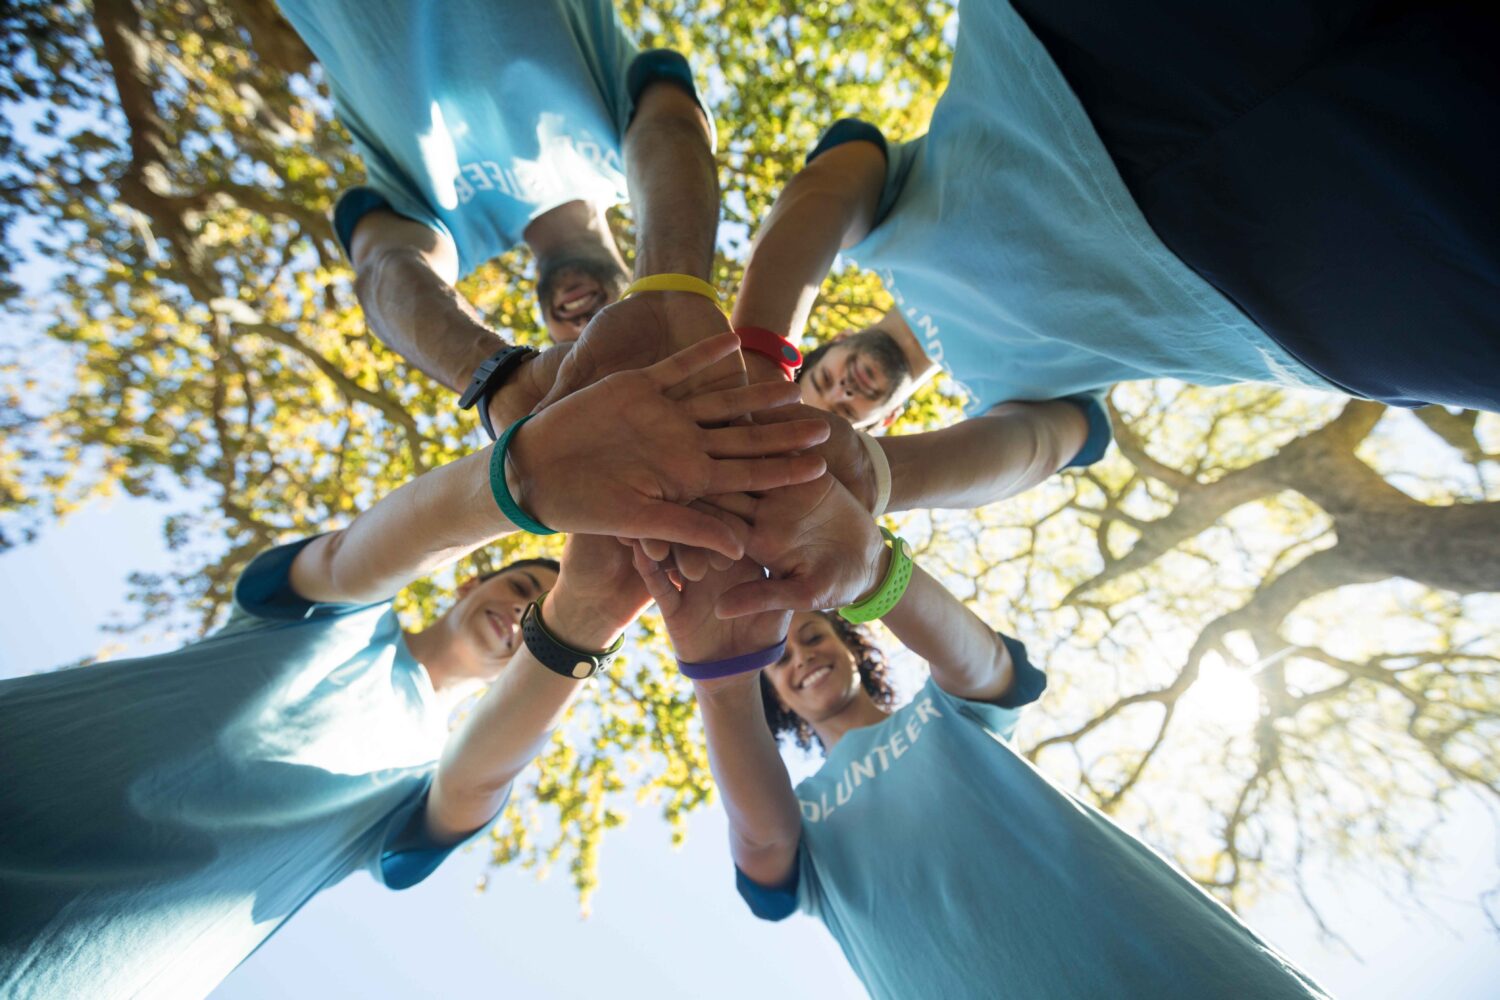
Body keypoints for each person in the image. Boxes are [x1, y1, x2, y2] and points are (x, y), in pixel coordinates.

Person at [0, 338, 826, 998]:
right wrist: (519, 478)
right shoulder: (324, 618)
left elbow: (469, 789)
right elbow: (360, 553)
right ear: (472, 578)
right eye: (518, 581)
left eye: (538, 609)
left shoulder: (421, 774)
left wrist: (581, 618)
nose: (519, 612)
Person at [725, 0, 1499, 541]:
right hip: (1275, 289)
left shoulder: (871, 230)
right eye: (846, 414)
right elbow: (1033, 450)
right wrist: (871, 477)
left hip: (1088, 59)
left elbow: (824, 191)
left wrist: (757, 360)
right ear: (885, 420)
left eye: (819, 379)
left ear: (823, 344)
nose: (841, 393)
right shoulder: (1005, 399)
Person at [633, 506, 1332, 1000]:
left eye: (815, 635)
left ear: (852, 645)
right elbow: (762, 845)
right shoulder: (801, 817)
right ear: (776, 698)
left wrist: (875, 570)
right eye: (779, 659)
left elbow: (988, 665)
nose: (803, 656)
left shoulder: (945, 716)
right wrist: (721, 684)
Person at [276, 0, 733, 437]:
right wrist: (670, 290)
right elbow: (674, 127)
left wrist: (499, 378)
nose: (584, 330)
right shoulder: (624, 150)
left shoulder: (447, 231)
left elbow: (382, 271)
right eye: (603, 337)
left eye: (571, 352)